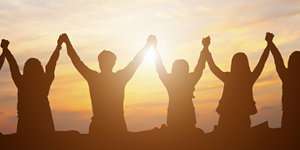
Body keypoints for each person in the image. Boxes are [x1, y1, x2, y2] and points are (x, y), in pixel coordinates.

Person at [61, 33, 152, 136]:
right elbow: (135, 62)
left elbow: (77, 61)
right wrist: (147, 46)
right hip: (116, 128)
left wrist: (67, 43)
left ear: (100, 63)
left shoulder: (94, 78)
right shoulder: (119, 78)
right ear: (113, 63)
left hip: (101, 129)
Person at [205, 33, 271, 132]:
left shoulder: (228, 77)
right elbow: (262, 62)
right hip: (242, 119)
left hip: (226, 118)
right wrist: (269, 45)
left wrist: (206, 48)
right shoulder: (249, 78)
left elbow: (213, 67)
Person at [1, 35, 63, 135]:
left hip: (25, 128)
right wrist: (58, 47)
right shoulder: (44, 81)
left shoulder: (22, 82)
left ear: (26, 70)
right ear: (40, 69)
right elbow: (51, 65)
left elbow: (13, 66)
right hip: (45, 127)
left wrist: (6, 50)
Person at [154, 36, 206, 130]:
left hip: (174, 120)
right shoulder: (189, 80)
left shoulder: (170, 81)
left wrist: (154, 49)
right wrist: (205, 48)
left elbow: (160, 68)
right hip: (188, 120)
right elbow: (199, 68)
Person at [268, 32, 300, 134]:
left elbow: (278, 58)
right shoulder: (286, 76)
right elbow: (278, 58)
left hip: (288, 115)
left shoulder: (286, 76)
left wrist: (270, 43)